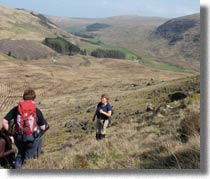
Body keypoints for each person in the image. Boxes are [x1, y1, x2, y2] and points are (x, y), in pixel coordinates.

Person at [1, 88, 48, 169]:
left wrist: (12, 133)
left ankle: (17, 166)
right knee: (28, 158)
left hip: (18, 137)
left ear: (23, 97)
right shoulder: (36, 110)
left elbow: (4, 121)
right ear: (34, 98)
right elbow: (43, 127)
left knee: (20, 152)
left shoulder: (17, 109)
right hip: (31, 139)